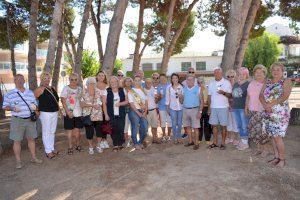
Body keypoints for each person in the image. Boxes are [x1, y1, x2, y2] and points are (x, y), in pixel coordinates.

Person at [2, 74, 43, 169]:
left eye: (22, 79)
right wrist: (12, 108)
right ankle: (18, 161)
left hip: (30, 120)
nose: (20, 81)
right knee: (17, 141)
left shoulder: (30, 93)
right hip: (17, 120)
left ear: (24, 81)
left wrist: (35, 108)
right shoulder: (9, 94)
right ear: (14, 81)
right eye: (18, 79)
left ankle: (33, 157)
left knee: (31, 139)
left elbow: (35, 104)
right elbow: (4, 106)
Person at [260, 62, 292, 167]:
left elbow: (284, 96)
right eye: (273, 69)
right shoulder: (267, 81)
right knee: (272, 136)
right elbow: (261, 95)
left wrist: (270, 105)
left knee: (277, 136)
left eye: (278, 69)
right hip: (268, 112)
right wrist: (265, 105)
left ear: (282, 71)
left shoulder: (286, 81)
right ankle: (276, 157)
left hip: (280, 114)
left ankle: (282, 159)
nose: (275, 71)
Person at [34, 72, 59, 159]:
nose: (47, 80)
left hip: (54, 112)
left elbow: (56, 100)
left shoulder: (53, 88)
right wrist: (36, 110)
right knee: (46, 132)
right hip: (45, 113)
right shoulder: (39, 89)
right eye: (45, 78)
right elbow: (33, 101)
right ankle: (48, 151)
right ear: (41, 79)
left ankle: (51, 148)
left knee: (52, 131)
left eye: (48, 78)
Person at [246, 64, 269, 156]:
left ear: (264, 73)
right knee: (255, 131)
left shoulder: (267, 84)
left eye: (260, 72)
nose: (258, 74)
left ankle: (266, 150)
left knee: (263, 132)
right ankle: (259, 149)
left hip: (262, 110)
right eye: (256, 72)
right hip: (252, 110)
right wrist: (246, 107)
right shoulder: (251, 83)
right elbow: (248, 96)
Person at [208, 67, 232, 150]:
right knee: (214, 125)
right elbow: (209, 97)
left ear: (221, 73)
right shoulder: (211, 83)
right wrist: (209, 108)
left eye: (218, 73)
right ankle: (214, 142)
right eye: (215, 73)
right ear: (214, 74)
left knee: (223, 126)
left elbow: (230, 95)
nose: (217, 74)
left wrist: (223, 92)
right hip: (213, 107)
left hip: (223, 107)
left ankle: (223, 143)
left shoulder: (227, 83)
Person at [61, 73, 84, 155]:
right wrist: (67, 112)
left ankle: (78, 145)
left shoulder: (80, 89)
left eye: (75, 79)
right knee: (70, 131)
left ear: (77, 80)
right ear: (69, 80)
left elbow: (81, 101)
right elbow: (63, 100)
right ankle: (70, 147)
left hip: (78, 113)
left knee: (77, 131)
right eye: (72, 79)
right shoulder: (66, 88)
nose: (74, 81)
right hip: (69, 113)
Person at [80, 77, 104, 155]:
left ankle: (98, 145)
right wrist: (93, 105)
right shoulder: (84, 93)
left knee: (99, 131)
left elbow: (103, 102)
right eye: (90, 83)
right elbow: (82, 104)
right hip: (88, 115)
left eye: (93, 83)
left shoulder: (99, 92)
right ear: (87, 84)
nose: (92, 85)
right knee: (89, 132)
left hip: (98, 115)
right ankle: (90, 147)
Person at [106, 76, 128, 151]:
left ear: (117, 82)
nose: (113, 83)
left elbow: (127, 101)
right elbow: (104, 104)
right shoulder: (107, 91)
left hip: (121, 113)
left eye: (115, 81)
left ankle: (120, 143)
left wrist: (120, 104)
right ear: (109, 83)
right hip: (111, 114)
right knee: (113, 129)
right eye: (111, 82)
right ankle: (115, 144)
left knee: (121, 129)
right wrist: (106, 114)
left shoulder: (122, 90)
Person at [182, 74, 204, 150]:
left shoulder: (198, 88)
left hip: (195, 110)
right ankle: (190, 141)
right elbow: (181, 101)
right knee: (187, 126)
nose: (190, 81)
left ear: (194, 81)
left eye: (191, 80)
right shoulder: (183, 89)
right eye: (188, 79)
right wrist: (180, 97)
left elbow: (202, 101)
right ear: (186, 81)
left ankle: (196, 143)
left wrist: (200, 112)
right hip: (185, 109)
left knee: (196, 128)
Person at [232, 67, 250, 150]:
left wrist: (247, 108)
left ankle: (245, 143)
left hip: (243, 108)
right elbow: (233, 96)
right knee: (239, 125)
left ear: (246, 75)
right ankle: (242, 140)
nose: (241, 76)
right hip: (235, 108)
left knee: (244, 126)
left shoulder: (248, 84)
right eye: (239, 74)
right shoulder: (235, 84)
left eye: (243, 74)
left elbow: (249, 97)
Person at [128, 75, 148, 150]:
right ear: (133, 81)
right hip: (134, 111)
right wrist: (138, 113)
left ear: (141, 81)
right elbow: (131, 103)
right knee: (135, 128)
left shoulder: (143, 90)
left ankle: (140, 142)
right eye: (135, 80)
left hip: (143, 111)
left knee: (145, 128)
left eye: (138, 80)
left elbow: (146, 102)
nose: (137, 82)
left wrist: (145, 111)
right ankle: (135, 143)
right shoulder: (131, 91)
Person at [166, 73, 184, 144]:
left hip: (180, 108)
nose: (175, 79)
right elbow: (167, 99)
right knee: (173, 124)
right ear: (171, 79)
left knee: (179, 124)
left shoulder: (181, 87)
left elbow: (182, 100)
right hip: (172, 108)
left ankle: (179, 136)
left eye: (176, 78)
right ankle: (175, 137)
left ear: (178, 79)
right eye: (173, 78)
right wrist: (167, 109)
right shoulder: (169, 87)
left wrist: (181, 96)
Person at [96, 71, 110, 149]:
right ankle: (100, 141)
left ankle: (104, 140)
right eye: (99, 75)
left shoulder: (107, 86)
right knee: (98, 125)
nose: (101, 77)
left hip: (106, 107)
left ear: (105, 77)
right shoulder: (94, 86)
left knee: (105, 124)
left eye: (103, 76)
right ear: (97, 76)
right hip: (96, 109)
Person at [225, 69, 239, 146]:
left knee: (235, 123)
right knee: (228, 123)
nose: (230, 78)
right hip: (226, 107)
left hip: (235, 107)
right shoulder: (225, 85)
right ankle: (230, 138)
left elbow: (237, 98)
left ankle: (236, 138)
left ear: (235, 76)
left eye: (232, 76)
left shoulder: (237, 85)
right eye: (228, 76)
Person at [144, 78, 160, 144]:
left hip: (154, 110)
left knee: (154, 126)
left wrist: (158, 98)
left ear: (151, 83)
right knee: (145, 127)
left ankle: (154, 139)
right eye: (147, 82)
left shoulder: (154, 89)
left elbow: (156, 100)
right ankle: (144, 141)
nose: (148, 83)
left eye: (150, 82)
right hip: (146, 111)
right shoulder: (143, 90)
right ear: (145, 83)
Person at [157, 73, 172, 141]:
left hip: (169, 107)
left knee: (169, 121)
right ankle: (163, 135)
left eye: (163, 78)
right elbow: (157, 98)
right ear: (159, 79)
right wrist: (160, 97)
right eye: (161, 78)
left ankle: (168, 135)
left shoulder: (170, 85)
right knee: (162, 121)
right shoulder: (158, 86)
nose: (162, 79)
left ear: (166, 78)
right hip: (161, 107)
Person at [197, 77, 212, 144]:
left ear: (204, 82)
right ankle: (199, 139)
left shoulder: (207, 89)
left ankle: (207, 139)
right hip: (198, 108)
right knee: (199, 124)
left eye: (201, 82)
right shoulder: (196, 90)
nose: (200, 84)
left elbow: (209, 100)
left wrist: (208, 107)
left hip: (206, 108)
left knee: (207, 124)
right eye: (198, 82)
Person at [123, 77, 133, 147]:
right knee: (125, 126)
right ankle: (126, 141)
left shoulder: (133, 90)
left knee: (133, 126)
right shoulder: (122, 90)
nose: (128, 82)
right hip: (125, 111)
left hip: (133, 110)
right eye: (127, 81)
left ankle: (133, 140)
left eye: (129, 81)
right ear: (124, 82)